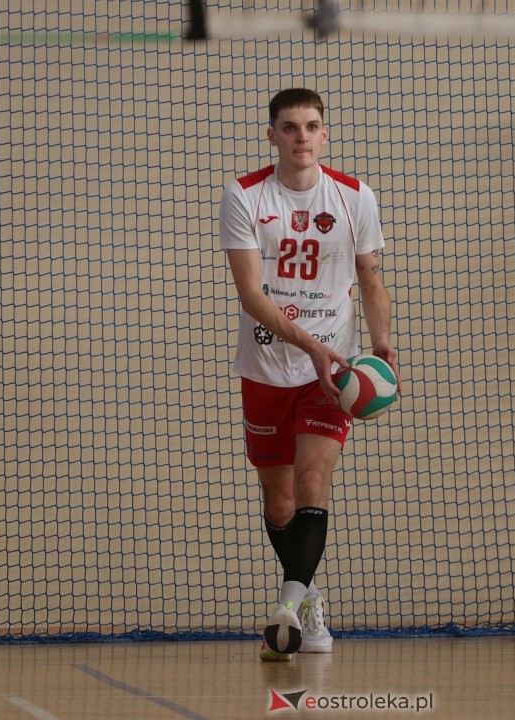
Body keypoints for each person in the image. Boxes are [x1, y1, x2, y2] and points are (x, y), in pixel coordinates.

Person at [218, 88, 397, 662]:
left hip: (333, 372)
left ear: (325, 134)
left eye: (311, 126)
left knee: (314, 483)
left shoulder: (354, 197)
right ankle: (310, 590)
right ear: (272, 135)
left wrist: (382, 347)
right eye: (289, 127)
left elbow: (370, 277)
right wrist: (311, 346)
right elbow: (250, 293)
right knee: (279, 504)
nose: (301, 137)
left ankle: (289, 611)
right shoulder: (244, 195)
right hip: (268, 365)